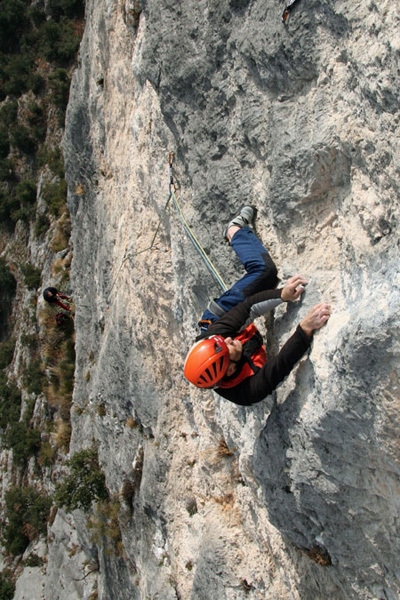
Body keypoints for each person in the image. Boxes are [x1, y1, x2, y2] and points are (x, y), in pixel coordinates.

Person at [183, 206, 331, 406]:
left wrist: (282, 295)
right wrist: (305, 329)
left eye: (223, 341)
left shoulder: (216, 335)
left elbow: (248, 308)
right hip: (239, 350)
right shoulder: (247, 393)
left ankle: (234, 230)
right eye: (227, 346)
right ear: (230, 370)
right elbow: (279, 367)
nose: (228, 339)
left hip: (219, 316)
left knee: (265, 273)